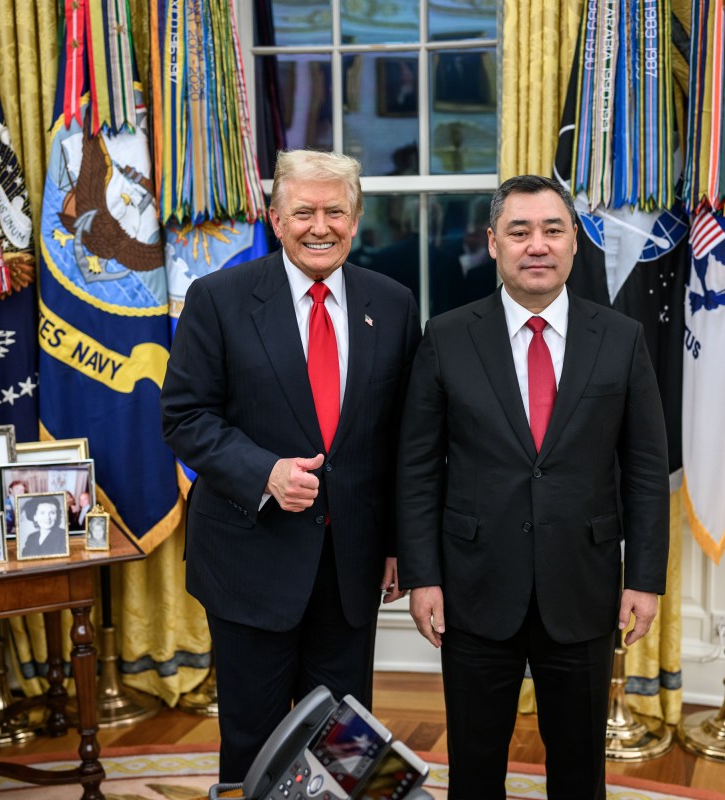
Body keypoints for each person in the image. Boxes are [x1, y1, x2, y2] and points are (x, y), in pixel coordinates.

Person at [395, 174, 669, 799]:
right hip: (473, 588)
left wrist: (644, 578)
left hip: (584, 587)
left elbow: (648, 468)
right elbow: (416, 467)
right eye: (519, 232)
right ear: (493, 243)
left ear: (575, 241)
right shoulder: (447, 335)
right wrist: (423, 575)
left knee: (579, 770)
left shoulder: (621, 338)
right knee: (475, 764)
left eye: (552, 230)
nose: (536, 245)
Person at [161, 149, 421, 782]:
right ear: (275, 220)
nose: (320, 226)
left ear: (356, 220)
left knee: (346, 736)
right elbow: (184, 417)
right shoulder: (217, 299)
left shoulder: (391, 304)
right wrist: (264, 474)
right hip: (250, 560)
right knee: (254, 737)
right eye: (303, 211)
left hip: (352, 565)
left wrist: (396, 547)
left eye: (335, 211)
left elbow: (401, 440)